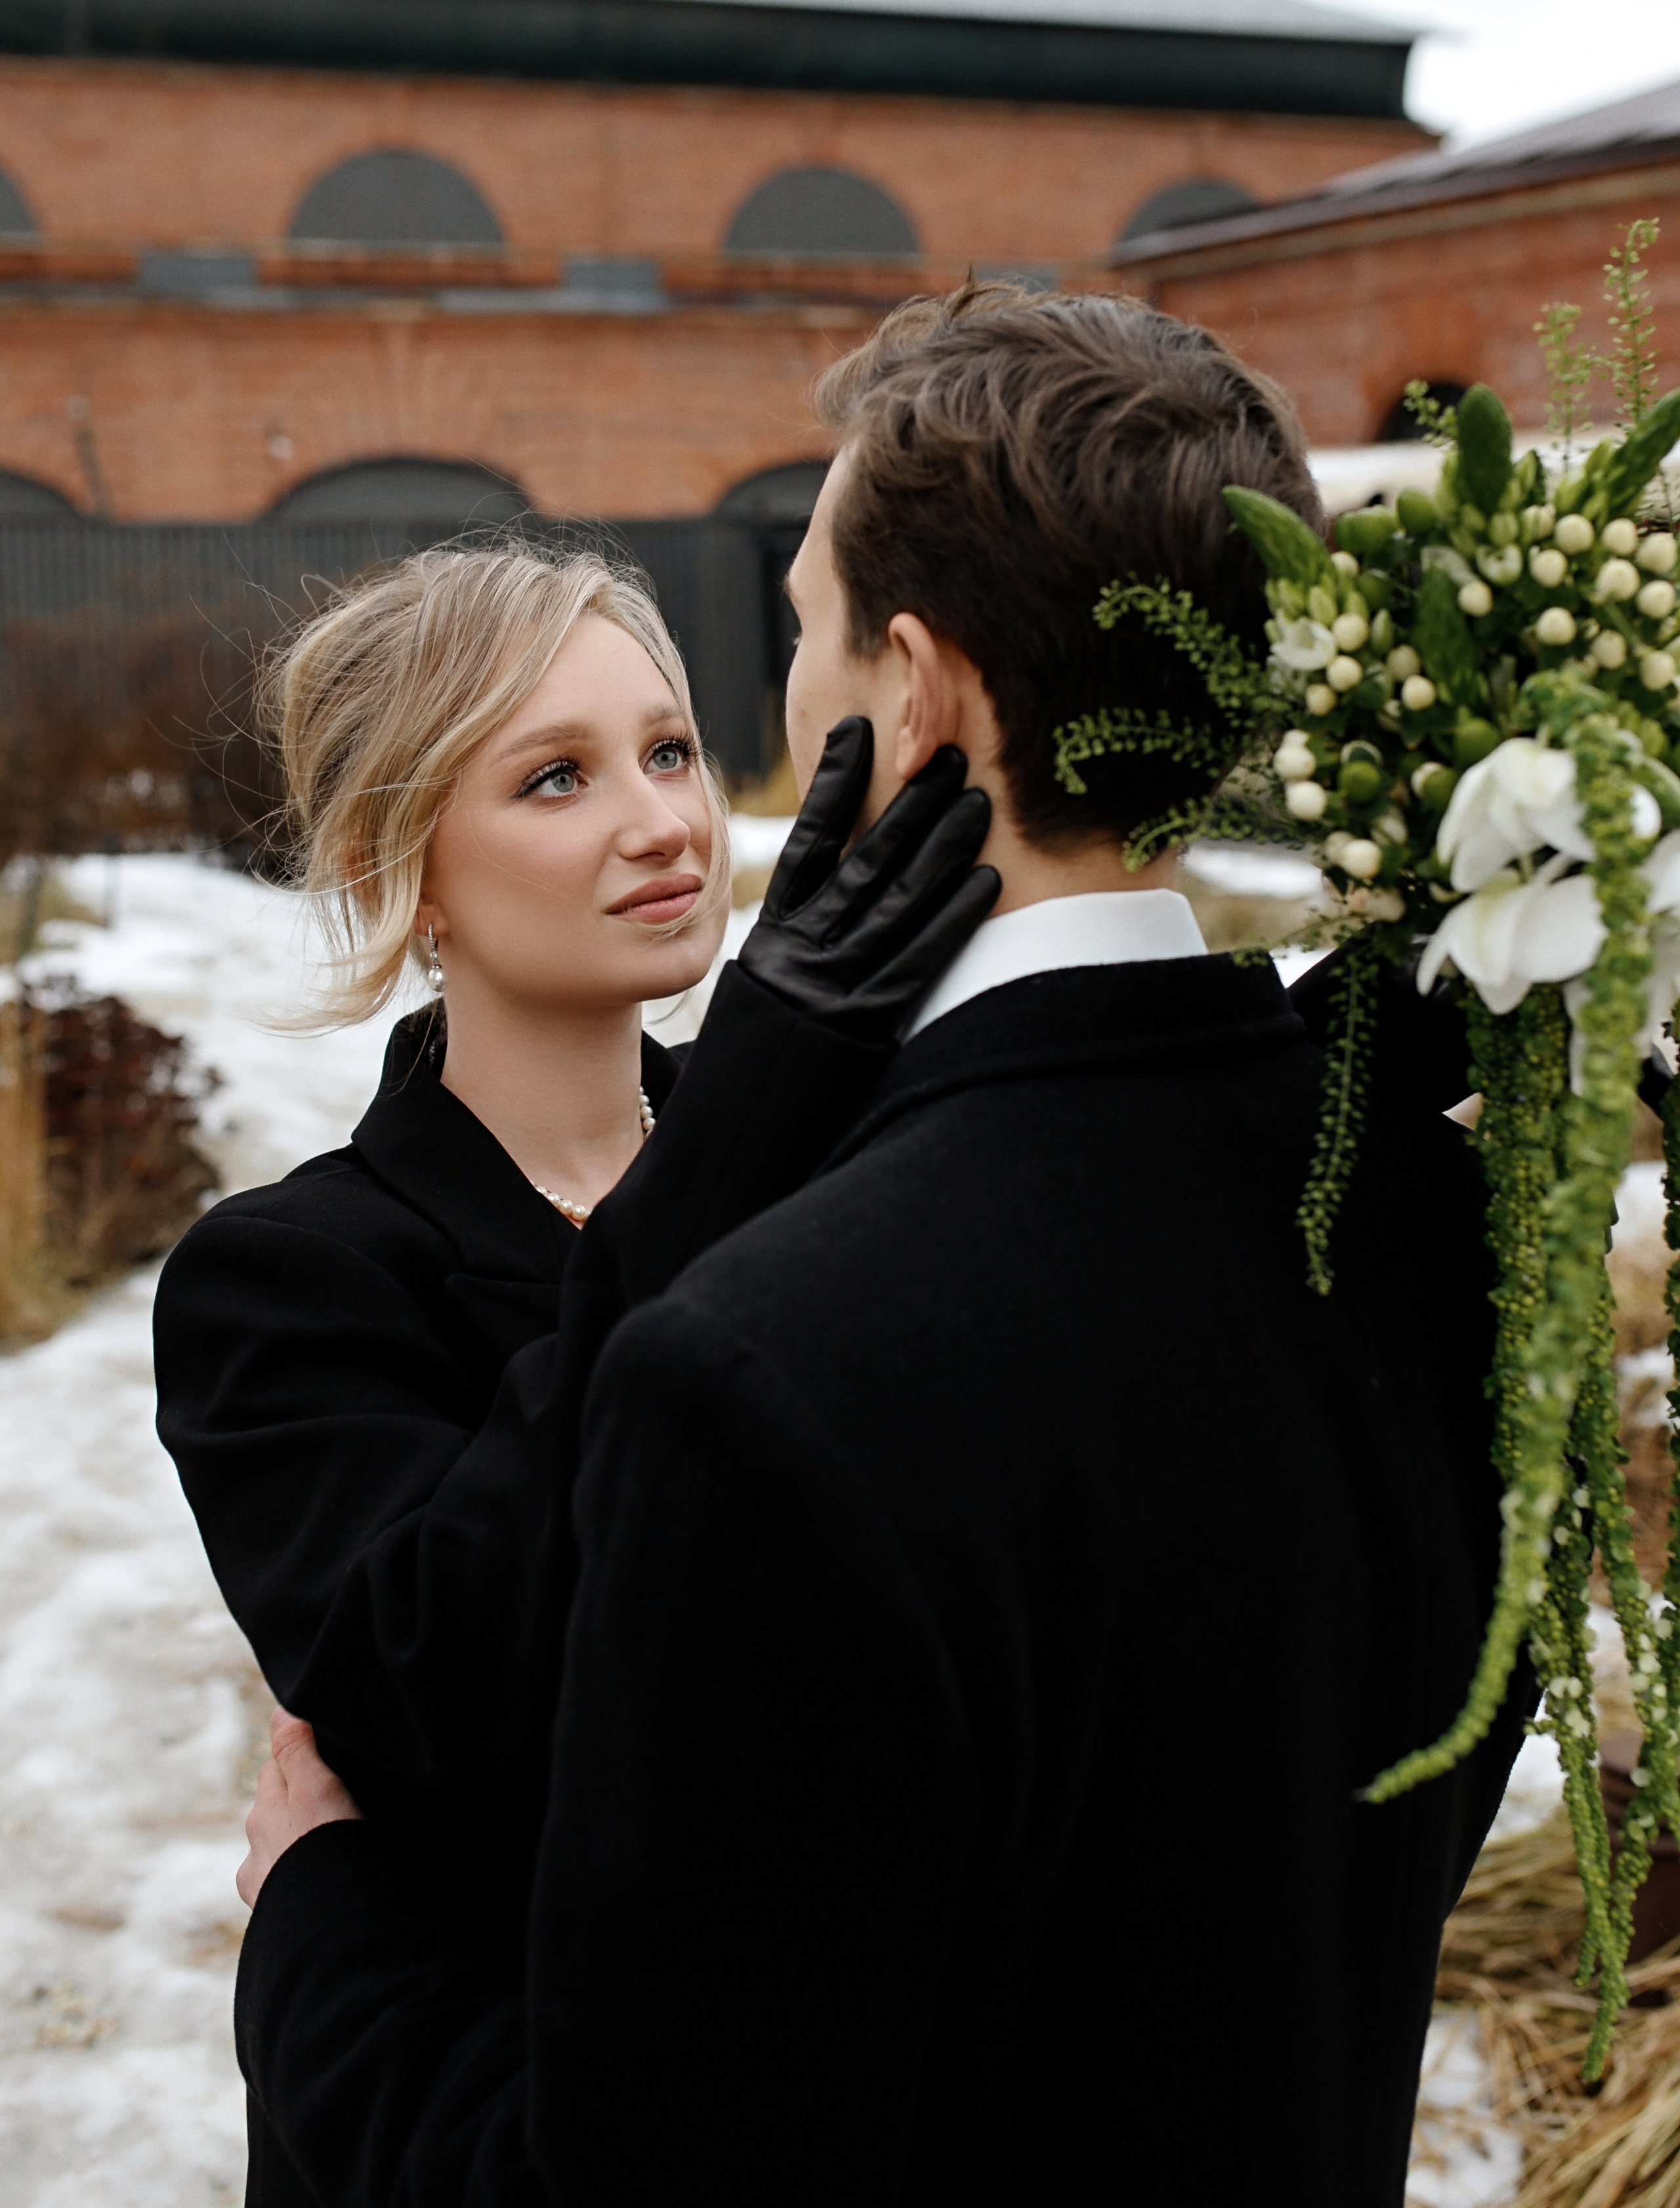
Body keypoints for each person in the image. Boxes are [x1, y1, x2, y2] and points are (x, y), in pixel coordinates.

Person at [226, 289, 1532, 2208]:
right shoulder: (1423, 1210)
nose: (684, 805)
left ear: (909, 690)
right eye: (557, 775)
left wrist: (316, 1916)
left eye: (768, 665)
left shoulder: (766, 1362)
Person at [152, 541, 998, 2208]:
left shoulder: (848, 1164)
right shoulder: (290, 1281)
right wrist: (744, 1137)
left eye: (670, 749)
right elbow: (440, 1689)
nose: (662, 824)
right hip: (477, 2124)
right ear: (410, 871)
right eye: (556, 777)